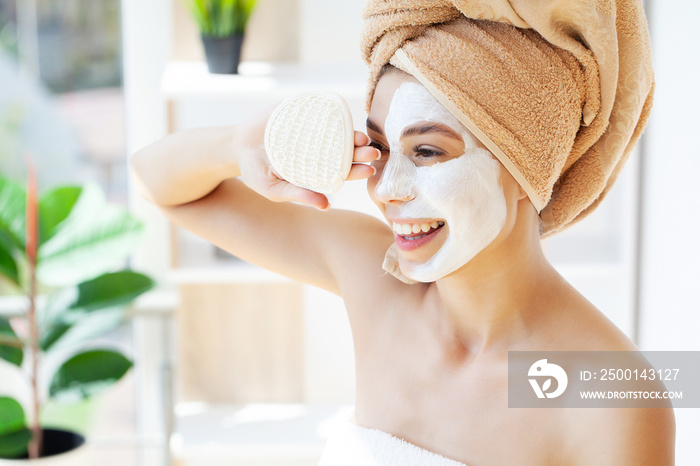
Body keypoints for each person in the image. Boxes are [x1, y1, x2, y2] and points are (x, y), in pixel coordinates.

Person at [131, 1, 675, 464]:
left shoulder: (613, 397)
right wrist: (238, 145)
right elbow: (158, 182)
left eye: (428, 151)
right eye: (383, 148)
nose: (386, 189)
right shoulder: (372, 275)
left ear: (525, 167)